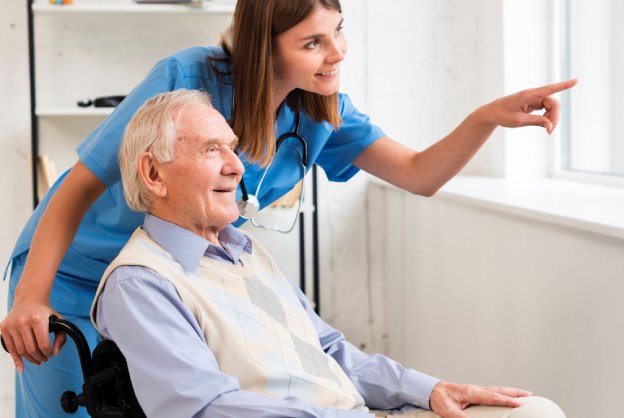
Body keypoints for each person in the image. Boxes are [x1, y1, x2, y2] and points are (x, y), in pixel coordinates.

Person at [0, 0, 576, 416]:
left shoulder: (321, 109)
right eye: (313, 42)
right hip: (72, 273)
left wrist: (484, 119)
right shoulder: (188, 80)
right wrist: (33, 296)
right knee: (76, 409)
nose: (337, 53)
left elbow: (418, 173)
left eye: (338, 32)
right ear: (264, 47)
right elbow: (75, 188)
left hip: (191, 278)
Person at [92, 89, 566, 418]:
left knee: (534, 411)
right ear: (154, 175)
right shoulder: (141, 283)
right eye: (212, 150)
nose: (237, 167)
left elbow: (331, 351)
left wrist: (431, 390)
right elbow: (203, 409)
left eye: (233, 148)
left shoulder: (245, 249)